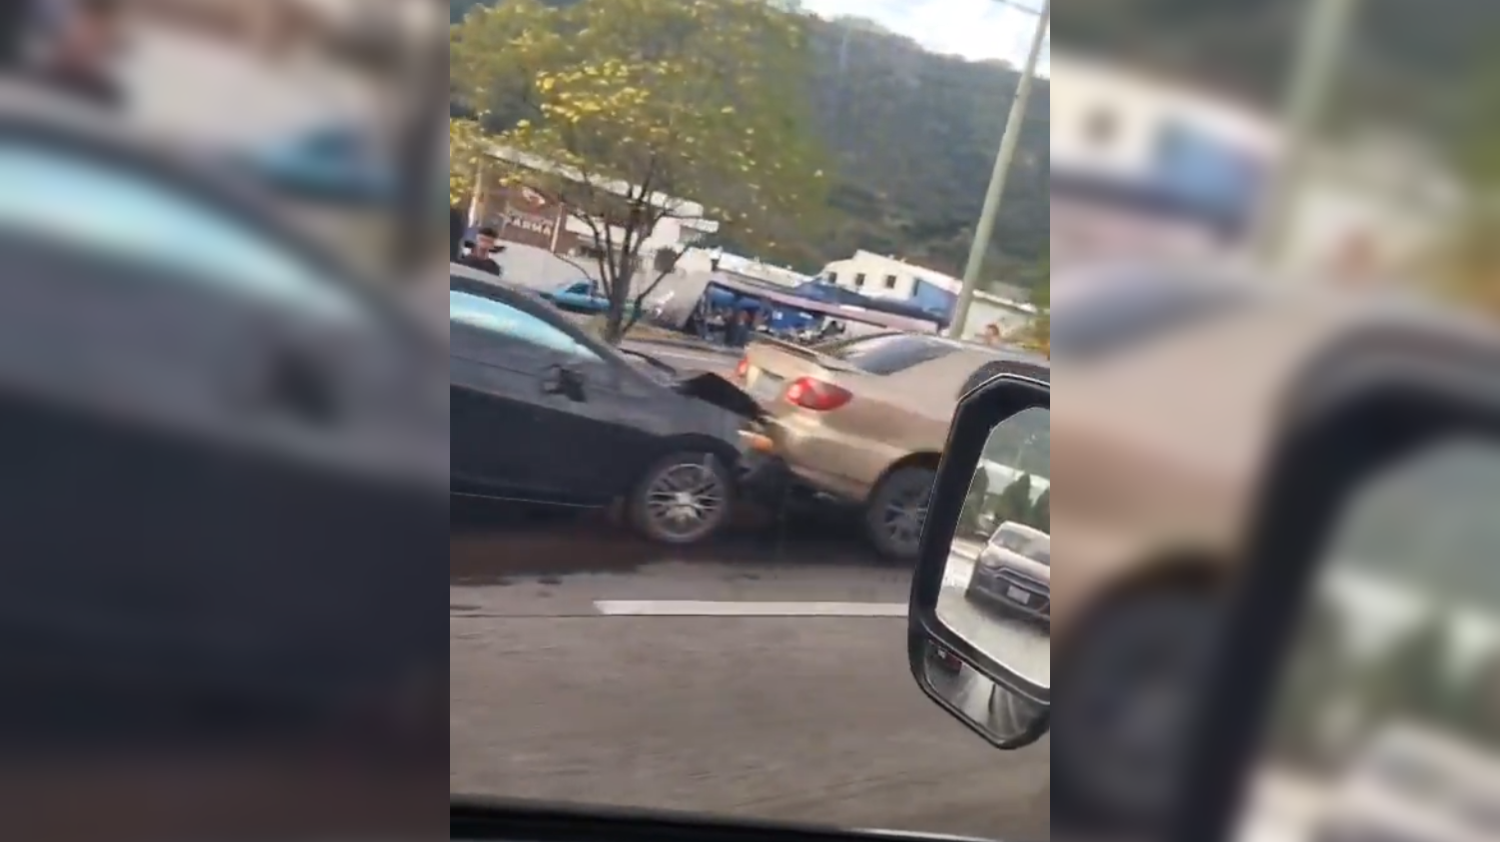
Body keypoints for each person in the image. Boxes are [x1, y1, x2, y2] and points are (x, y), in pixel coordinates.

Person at [28, 0, 123, 107]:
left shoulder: (105, 94)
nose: (85, 41)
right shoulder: (34, 78)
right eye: (81, 32)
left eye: (96, 37)